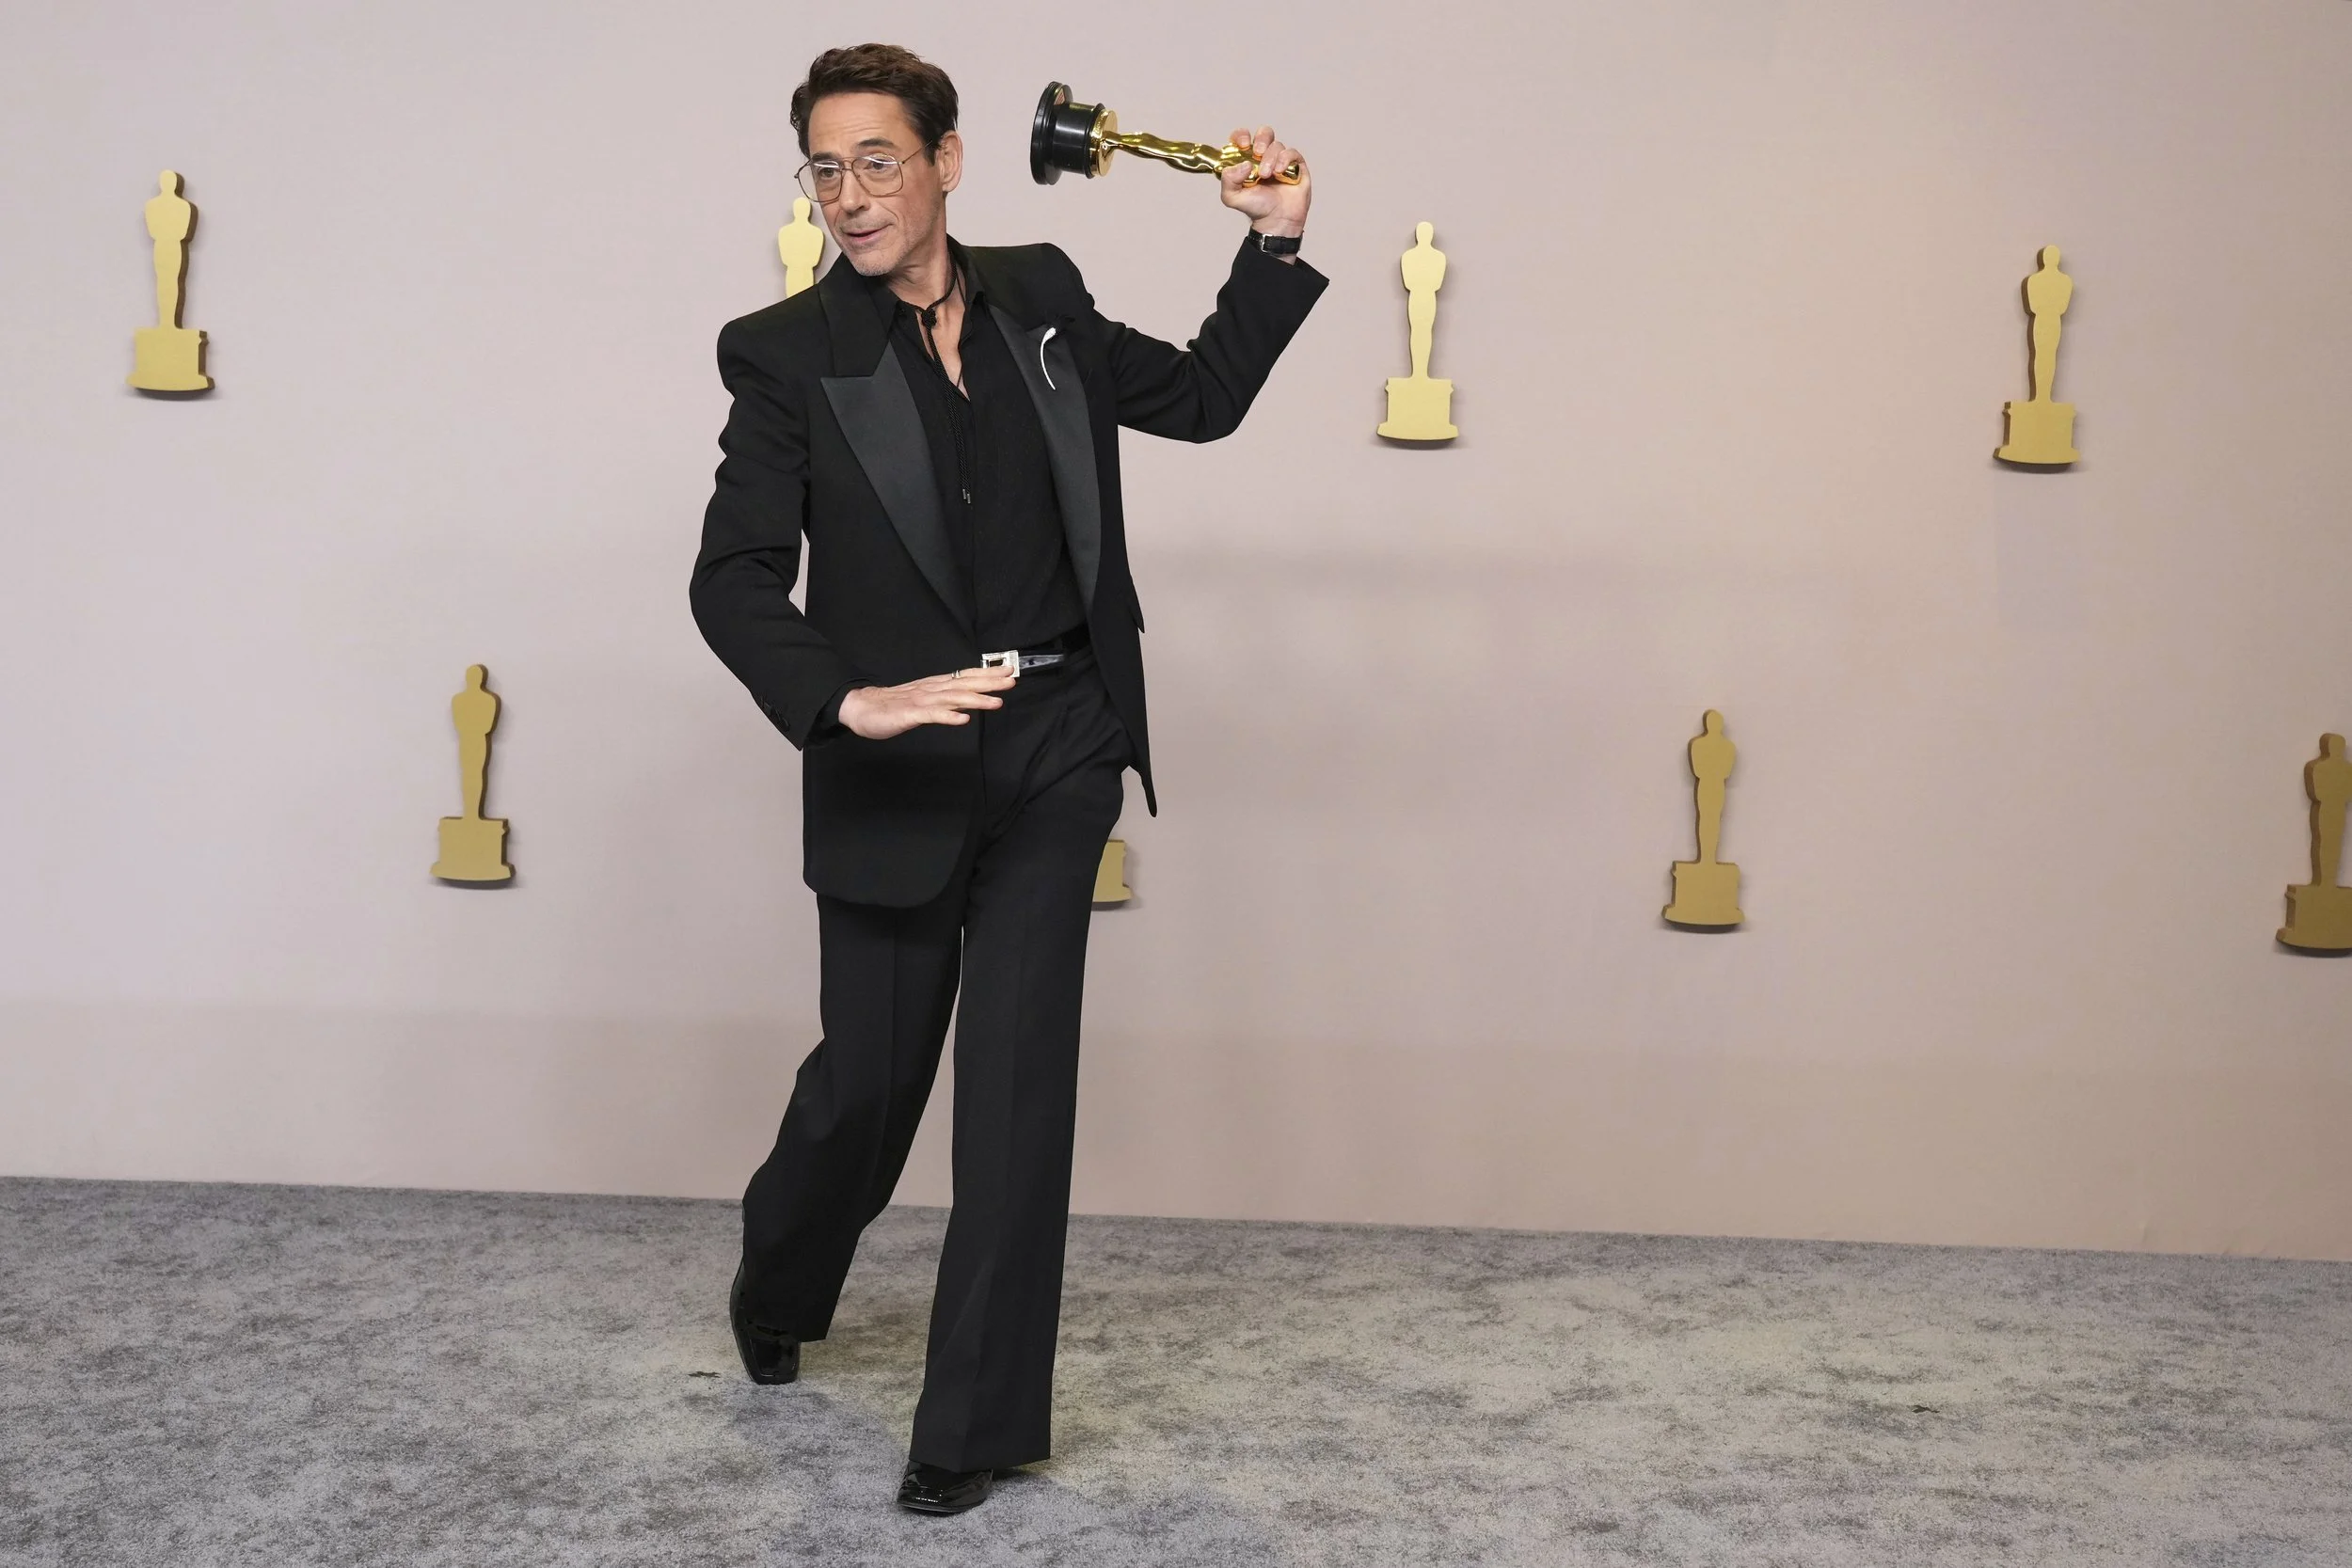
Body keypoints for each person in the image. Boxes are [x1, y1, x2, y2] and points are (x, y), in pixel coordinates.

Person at [689, 43, 1323, 1515]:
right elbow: (729, 580)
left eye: (879, 161)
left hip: (1056, 744)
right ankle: (780, 1271)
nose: (850, 196)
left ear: (949, 161)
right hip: (894, 764)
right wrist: (845, 697)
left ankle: (967, 1425)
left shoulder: (1042, 292)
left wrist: (1274, 238)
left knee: (1021, 1091)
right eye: (825, 168)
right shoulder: (786, 355)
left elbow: (1208, 397)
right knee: (870, 1087)